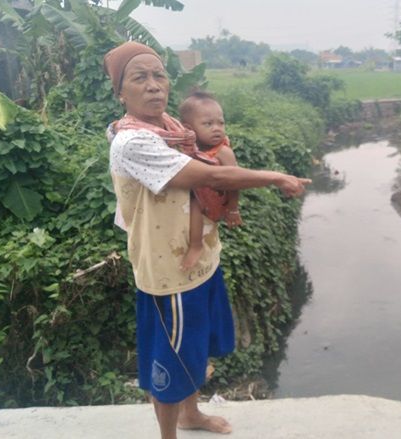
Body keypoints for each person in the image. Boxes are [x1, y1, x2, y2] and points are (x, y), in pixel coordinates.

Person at [104, 41, 310, 439]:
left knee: (193, 349)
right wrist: (274, 176)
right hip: (169, 271)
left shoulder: (175, 129)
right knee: (168, 360)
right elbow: (209, 176)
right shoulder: (133, 142)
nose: (153, 86)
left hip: (200, 261)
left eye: (159, 75)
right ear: (120, 91)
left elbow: (212, 158)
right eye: (139, 78)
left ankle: (192, 414)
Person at [178, 91, 242, 271]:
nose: (217, 128)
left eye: (221, 123)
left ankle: (197, 245)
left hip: (218, 198)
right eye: (208, 124)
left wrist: (233, 208)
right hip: (200, 197)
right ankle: (196, 245)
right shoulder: (190, 148)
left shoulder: (222, 151)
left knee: (195, 203)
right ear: (189, 128)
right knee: (194, 203)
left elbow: (235, 182)